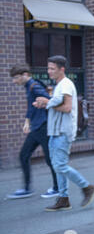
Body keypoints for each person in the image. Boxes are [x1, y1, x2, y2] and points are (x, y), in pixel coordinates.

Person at [33, 55, 94, 211]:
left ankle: (87, 187)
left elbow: (67, 108)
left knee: (59, 165)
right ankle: (63, 198)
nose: (49, 72)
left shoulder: (66, 84)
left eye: (52, 69)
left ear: (62, 69)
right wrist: (46, 103)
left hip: (62, 132)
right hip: (55, 131)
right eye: (48, 68)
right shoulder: (60, 85)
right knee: (58, 166)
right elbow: (59, 106)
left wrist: (47, 102)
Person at [7, 64, 58, 199]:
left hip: (43, 127)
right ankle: (27, 188)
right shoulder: (29, 86)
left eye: (16, 78)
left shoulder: (34, 86)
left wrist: (43, 103)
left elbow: (50, 100)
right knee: (24, 155)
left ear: (25, 75)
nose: (14, 81)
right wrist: (27, 121)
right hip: (36, 127)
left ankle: (57, 187)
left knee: (49, 159)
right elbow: (31, 106)